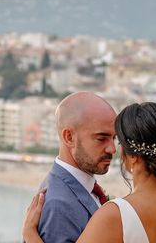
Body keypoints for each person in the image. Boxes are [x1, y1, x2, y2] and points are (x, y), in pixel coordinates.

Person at [24, 101, 156, 243]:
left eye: (118, 142)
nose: (113, 149)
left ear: (133, 156)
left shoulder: (115, 215)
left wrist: (30, 235)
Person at [35, 92, 117, 242]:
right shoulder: (59, 205)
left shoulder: (84, 188)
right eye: (101, 139)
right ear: (69, 137)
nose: (112, 149)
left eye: (114, 138)